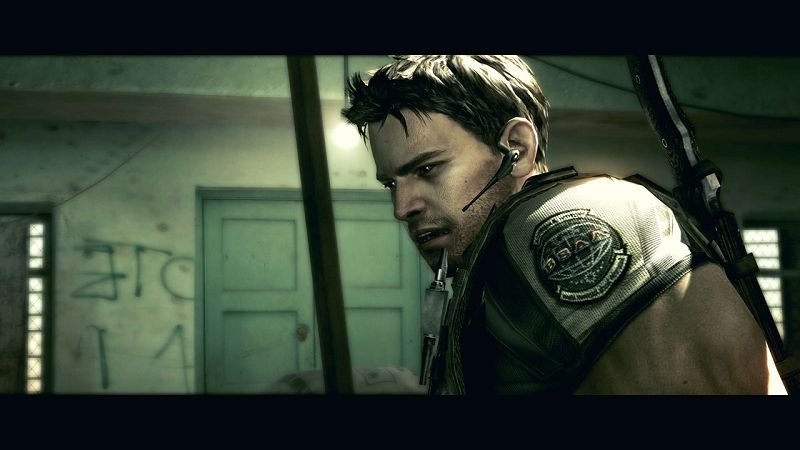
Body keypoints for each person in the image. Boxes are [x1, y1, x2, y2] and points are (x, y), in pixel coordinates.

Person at [341, 55, 786, 394]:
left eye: (428, 169)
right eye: (391, 183)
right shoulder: (498, 254)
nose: (402, 206)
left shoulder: (555, 223)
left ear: (516, 148)